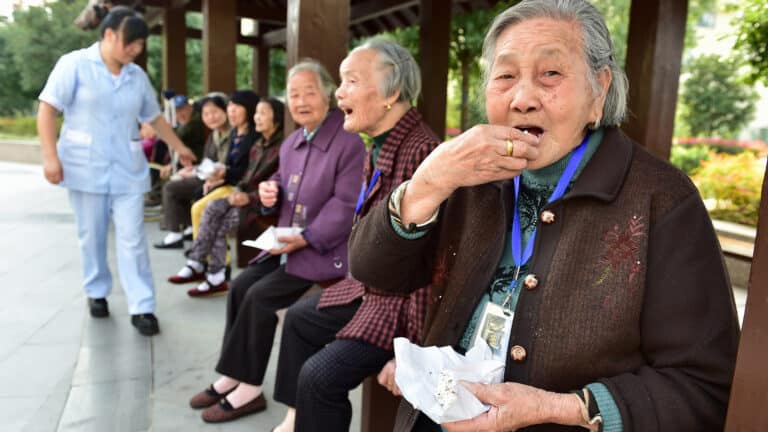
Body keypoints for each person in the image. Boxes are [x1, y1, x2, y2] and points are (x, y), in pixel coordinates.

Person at [348, 1, 740, 431]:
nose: (522, 99)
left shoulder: (661, 199)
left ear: (599, 90)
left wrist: (561, 408)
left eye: (550, 74)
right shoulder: (468, 179)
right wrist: (426, 185)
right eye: (505, 76)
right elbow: (374, 271)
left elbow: (702, 386)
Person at [270, 39, 439, 432]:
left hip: (400, 306)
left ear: (391, 93)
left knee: (318, 377)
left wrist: (413, 353)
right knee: (298, 318)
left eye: (350, 81)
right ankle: (296, 419)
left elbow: (432, 264)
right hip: (367, 288)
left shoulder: (423, 152)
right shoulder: (377, 146)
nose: (339, 92)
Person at [187, 59, 366, 424]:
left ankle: (250, 388)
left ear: (328, 95)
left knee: (259, 296)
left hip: (323, 251)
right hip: (287, 243)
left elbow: (346, 205)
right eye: (294, 94)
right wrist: (272, 193)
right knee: (239, 286)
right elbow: (285, 191)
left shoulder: (348, 142)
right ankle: (234, 375)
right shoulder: (292, 142)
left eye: (309, 92)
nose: (300, 101)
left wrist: (306, 237)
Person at [37, 6, 196, 336]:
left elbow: (154, 118)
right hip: (83, 167)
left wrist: (179, 147)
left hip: (127, 169)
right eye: (131, 44)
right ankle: (96, 292)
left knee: (133, 239)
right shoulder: (74, 65)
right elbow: (48, 109)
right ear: (109, 35)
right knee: (92, 235)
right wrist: (50, 157)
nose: (135, 51)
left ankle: (143, 307)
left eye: (140, 46)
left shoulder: (136, 76)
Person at [168, 97, 285, 297]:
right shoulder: (258, 144)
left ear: (278, 117)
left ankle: (212, 273)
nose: (256, 117)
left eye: (263, 113)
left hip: (261, 205)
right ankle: (203, 267)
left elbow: (280, 185)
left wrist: (248, 196)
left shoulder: (282, 146)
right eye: (256, 112)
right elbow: (247, 176)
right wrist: (239, 190)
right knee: (211, 209)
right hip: (244, 197)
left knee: (217, 220)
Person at [154, 93, 232, 249]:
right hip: (209, 177)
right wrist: (194, 169)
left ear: (226, 111)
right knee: (177, 182)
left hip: (224, 181)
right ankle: (188, 228)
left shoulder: (230, 133)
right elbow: (208, 162)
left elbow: (226, 167)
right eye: (206, 114)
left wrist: (197, 171)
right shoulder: (214, 135)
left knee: (172, 188)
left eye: (215, 112)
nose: (211, 117)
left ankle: (175, 233)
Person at [188, 89, 261, 239]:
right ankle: (201, 253)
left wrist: (223, 176)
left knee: (201, 208)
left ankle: (205, 256)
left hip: (241, 188)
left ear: (249, 108)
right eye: (230, 106)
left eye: (237, 107)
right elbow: (228, 165)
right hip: (229, 183)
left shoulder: (254, 136)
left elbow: (245, 171)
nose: (231, 111)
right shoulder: (235, 133)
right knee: (199, 198)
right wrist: (216, 179)